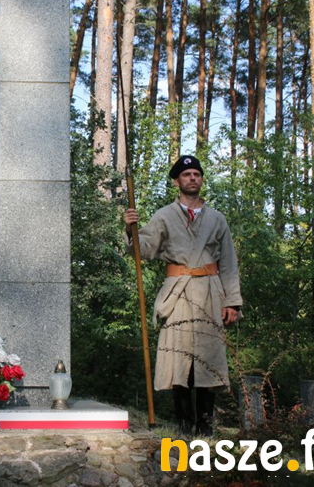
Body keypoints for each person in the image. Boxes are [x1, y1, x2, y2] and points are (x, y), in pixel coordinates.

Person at [123, 155, 243, 437]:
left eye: (196, 174)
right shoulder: (164, 216)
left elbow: (228, 261)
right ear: (177, 181)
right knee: (179, 358)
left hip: (210, 293)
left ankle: (206, 424)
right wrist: (130, 229)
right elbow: (144, 250)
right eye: (187, 175)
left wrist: (233, 302)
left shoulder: (217, 218)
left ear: (201, 180)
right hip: (177, 294)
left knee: (208, 359)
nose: (192, 178)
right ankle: (184, 423)